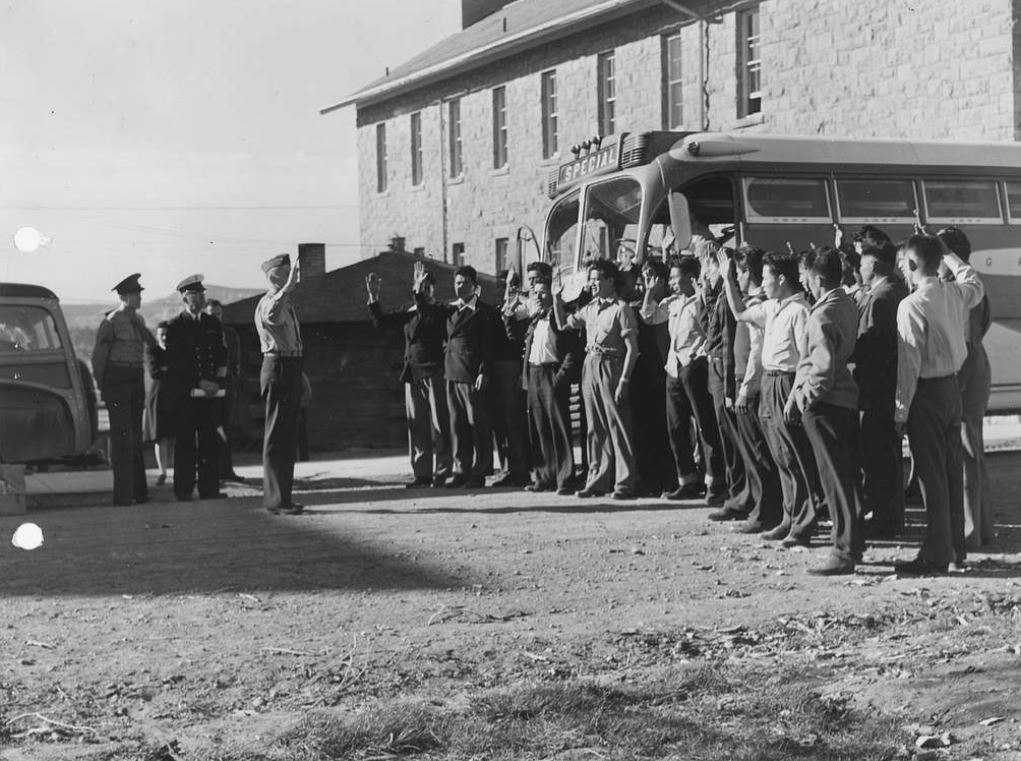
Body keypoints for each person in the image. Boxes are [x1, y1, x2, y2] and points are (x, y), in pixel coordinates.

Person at [893, 233, 984, 575]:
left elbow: (909, 366)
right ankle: (956, 551)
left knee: (930, 477)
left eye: (904, 263)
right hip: (951, 391)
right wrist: (949, 256)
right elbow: (974, 281)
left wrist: (900, 411)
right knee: (950, 471)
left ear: (913, 264)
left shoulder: (911, 305)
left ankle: (936, 554)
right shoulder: (953, 293)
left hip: (926, 394)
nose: (902, 269)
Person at [720, 250, 818, 547]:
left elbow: (806, 358)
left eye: (766, 277)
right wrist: (727, 279)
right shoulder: (772, 307)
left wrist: (795, 397)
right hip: (769, 382)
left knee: (794, 456)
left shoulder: (799, 311)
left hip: (787, 383)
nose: (762, 283)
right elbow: (739, 312)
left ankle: (803, 524)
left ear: (782, 279)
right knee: (779, 455)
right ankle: (789, 518)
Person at [787, 248, 864, 575]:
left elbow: (821, 370)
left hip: (825, 406)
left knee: (833, 480)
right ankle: (852, 543)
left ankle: (843, 551)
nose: (802, 281)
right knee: (846, 478)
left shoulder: (820, 315)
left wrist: (803, 399)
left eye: (805, 275)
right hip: (844, 401)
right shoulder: (845, 303)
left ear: (817, 278)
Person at [639, 256, 723, 501]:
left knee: (704, 425)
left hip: (693, 366)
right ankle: (687, 479)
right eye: (672, 278)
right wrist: (649, 292)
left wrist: (698, 356)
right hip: (673, 368)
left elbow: (710, 333)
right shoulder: (672, 302)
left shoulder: (700, 302)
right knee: (676, 426)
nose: (672, 282)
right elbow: (649, 316)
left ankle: (714, 481)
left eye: (677, 278)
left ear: (691, 278)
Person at [553, 258, 639, 499]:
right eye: (590, 279)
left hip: (612, 366)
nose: (592, 284)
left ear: (610, 281)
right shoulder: (590, 308)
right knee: (594, 428)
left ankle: (624, 483)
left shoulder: (621, 309)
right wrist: (556, 299)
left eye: (596, 279)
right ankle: (597, 480)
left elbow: (633, 349)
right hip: (590, 366)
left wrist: (624, 380)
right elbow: (562, 324)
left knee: (617, 425)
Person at [366, 261, 452, 488]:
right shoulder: (409, 309)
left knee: (440, 424)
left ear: (433, 289)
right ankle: (422, 474)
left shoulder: (441, 310)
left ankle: (443, 472)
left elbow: (426, 314)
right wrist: (374, 297)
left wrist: (418, 291)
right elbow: (381, 323)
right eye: (423, 286)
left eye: (428, 286)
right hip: (412, 373)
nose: (425, 290)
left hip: (434, 371)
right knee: (418, 427)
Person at [416, 264, 501, 488]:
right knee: (457, 426)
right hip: (452, 373)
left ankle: (480, 471)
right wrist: (418, 289)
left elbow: (489, 347)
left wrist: (484, 372)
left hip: (473, 376)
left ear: (475, 286)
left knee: (477, 425)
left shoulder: (484, 312)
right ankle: (462, 469)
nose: (460, 287)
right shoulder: (449, 309)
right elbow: (425, 311)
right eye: (457, 283)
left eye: (464, 283)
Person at [938, 227, 993, 548]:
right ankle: (982, 528)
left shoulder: (962, 291)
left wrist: (954, 388)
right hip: (975, 368)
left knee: (965, 453)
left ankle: (971, 532)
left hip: (965, 371)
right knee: (973, 451)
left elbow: (968, 342)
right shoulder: (969, 288)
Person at [853, 240, 909, 538]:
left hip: (877, 391)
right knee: (885, 455)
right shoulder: (891, 292)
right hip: (886, 388)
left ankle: (887, 520)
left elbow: (872, 348)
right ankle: (888, 516)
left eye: (861, 263)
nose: (859, 269)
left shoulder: (881, 298)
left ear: (873, 265)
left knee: (879, 456)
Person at [728, 247, 783, 534]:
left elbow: (756, 351)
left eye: (738, 272)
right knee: (751, 452)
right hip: (743, 381)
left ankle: (767, 512)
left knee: (760, 453)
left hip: (752, 384)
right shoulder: (752, 303)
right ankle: (759, 507)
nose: (736, 278)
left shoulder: (760, 305)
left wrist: (746, 389)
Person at [91, 273, 154, 506]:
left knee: (136, 438)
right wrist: (102, 385)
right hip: (117, 380)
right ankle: (124, 495)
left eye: (139, 294)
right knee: (123, 439)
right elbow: (98, 357)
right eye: (135, 294)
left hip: (135, 377)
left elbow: (149, 348)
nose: (139, 298)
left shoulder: (139, 321)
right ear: (123, 296)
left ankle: (140, 491)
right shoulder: (112, 321)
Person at [517, 267, 581, 493]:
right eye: (536, 293)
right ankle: (544, 476)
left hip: (551, 374)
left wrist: (560, 377)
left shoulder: (558, 316)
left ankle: (565, 478)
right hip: (534, 374)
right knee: (539, 427)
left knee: (559, 428)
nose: (539, 296)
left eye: (544, 292)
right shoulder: (534, 320)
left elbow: (572, 352)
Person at [165, 274, 227, 502]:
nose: (200, 298)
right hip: (186, 395)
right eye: (195, 294)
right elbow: (177, 363)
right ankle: (183, 490)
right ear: (184, 297)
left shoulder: (212, 324)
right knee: (186, 444)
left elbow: (221, 356)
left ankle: (210, 490)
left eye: (202, 294)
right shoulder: (175, 326)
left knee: (209, 442)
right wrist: (199, 381)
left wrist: (217, 383)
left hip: (209, 394)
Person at [256, 254, 304, 514]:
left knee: (286, 436)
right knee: (277, 435)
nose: (291, 278)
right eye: (286, 273)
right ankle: (276, 500)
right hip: (278, 367)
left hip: (290, 366)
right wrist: (285, 290)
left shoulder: (285, 302)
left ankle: (282, 497)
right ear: (274, 276)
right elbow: (273, 317)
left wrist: (301, 374)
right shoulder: (270, 303)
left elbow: (291, 341)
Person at [492, 268, 532, 487]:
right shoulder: (497, 310)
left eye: (513, 285)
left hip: (512, 369)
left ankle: (520, 468)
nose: (509, 289)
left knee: (514, 420)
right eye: (506, 285)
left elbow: (516, 340)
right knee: (501, 422)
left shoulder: (521, 312)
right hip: (496, 370)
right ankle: (507, 467)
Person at [204, 299, 243, 482]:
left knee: (226, 427)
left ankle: (227, 471)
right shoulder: (202, 333)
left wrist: (232, 380)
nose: (215, 318)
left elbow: (235, 361)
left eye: (218, 314)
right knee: (210, 427)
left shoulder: (230, 334)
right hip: (209, 386)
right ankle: (210, 473)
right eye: (212, 314)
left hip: (227, 385)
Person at [142, 321, 175, 487]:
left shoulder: (176, 351)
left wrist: (167, 369)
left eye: (167, 334)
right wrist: (170, 370)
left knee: (175, 436)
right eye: (161, 334)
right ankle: (162, 472)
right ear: (156, 336)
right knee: (160, 437)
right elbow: (154, 372)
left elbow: (180, 370)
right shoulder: (151, 351)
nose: (164, 337)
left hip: (175, 397)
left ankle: (176, 472)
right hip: (158, 398)